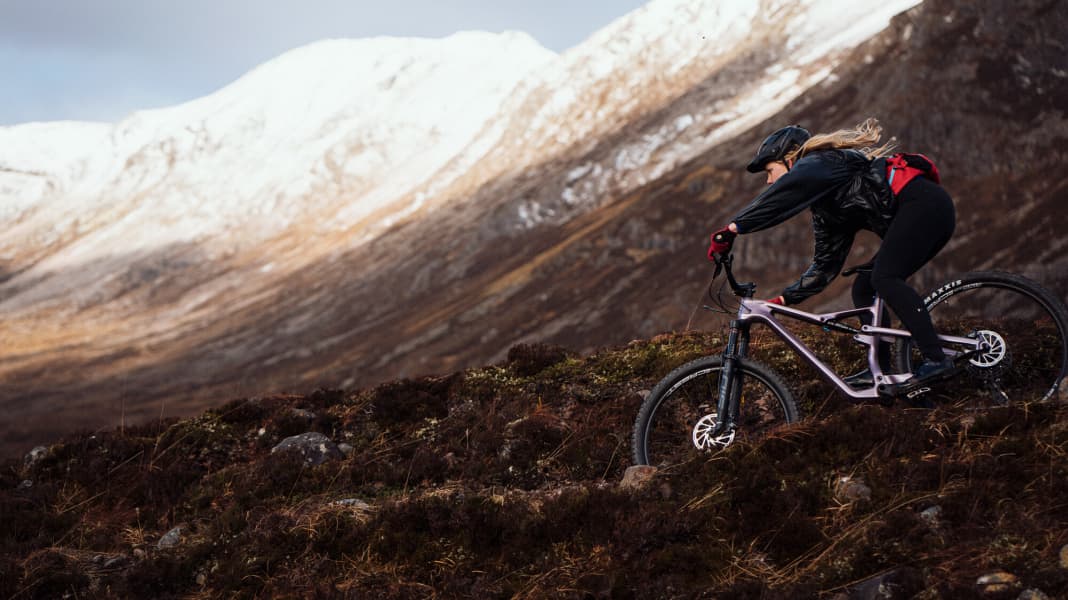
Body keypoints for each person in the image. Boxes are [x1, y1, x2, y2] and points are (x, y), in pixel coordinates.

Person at [706, 118, 957, 386]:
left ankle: (936, 359)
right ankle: (879, 371)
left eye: (770, 170)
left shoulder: (821, 162)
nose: (769, 181)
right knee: (864, 288)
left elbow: (784, 193)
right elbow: (825, 265)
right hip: (926, 214)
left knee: (885, 278)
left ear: (789, 158)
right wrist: (784, 300)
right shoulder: (827, 208)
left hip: (925, 207)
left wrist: (734, 228)